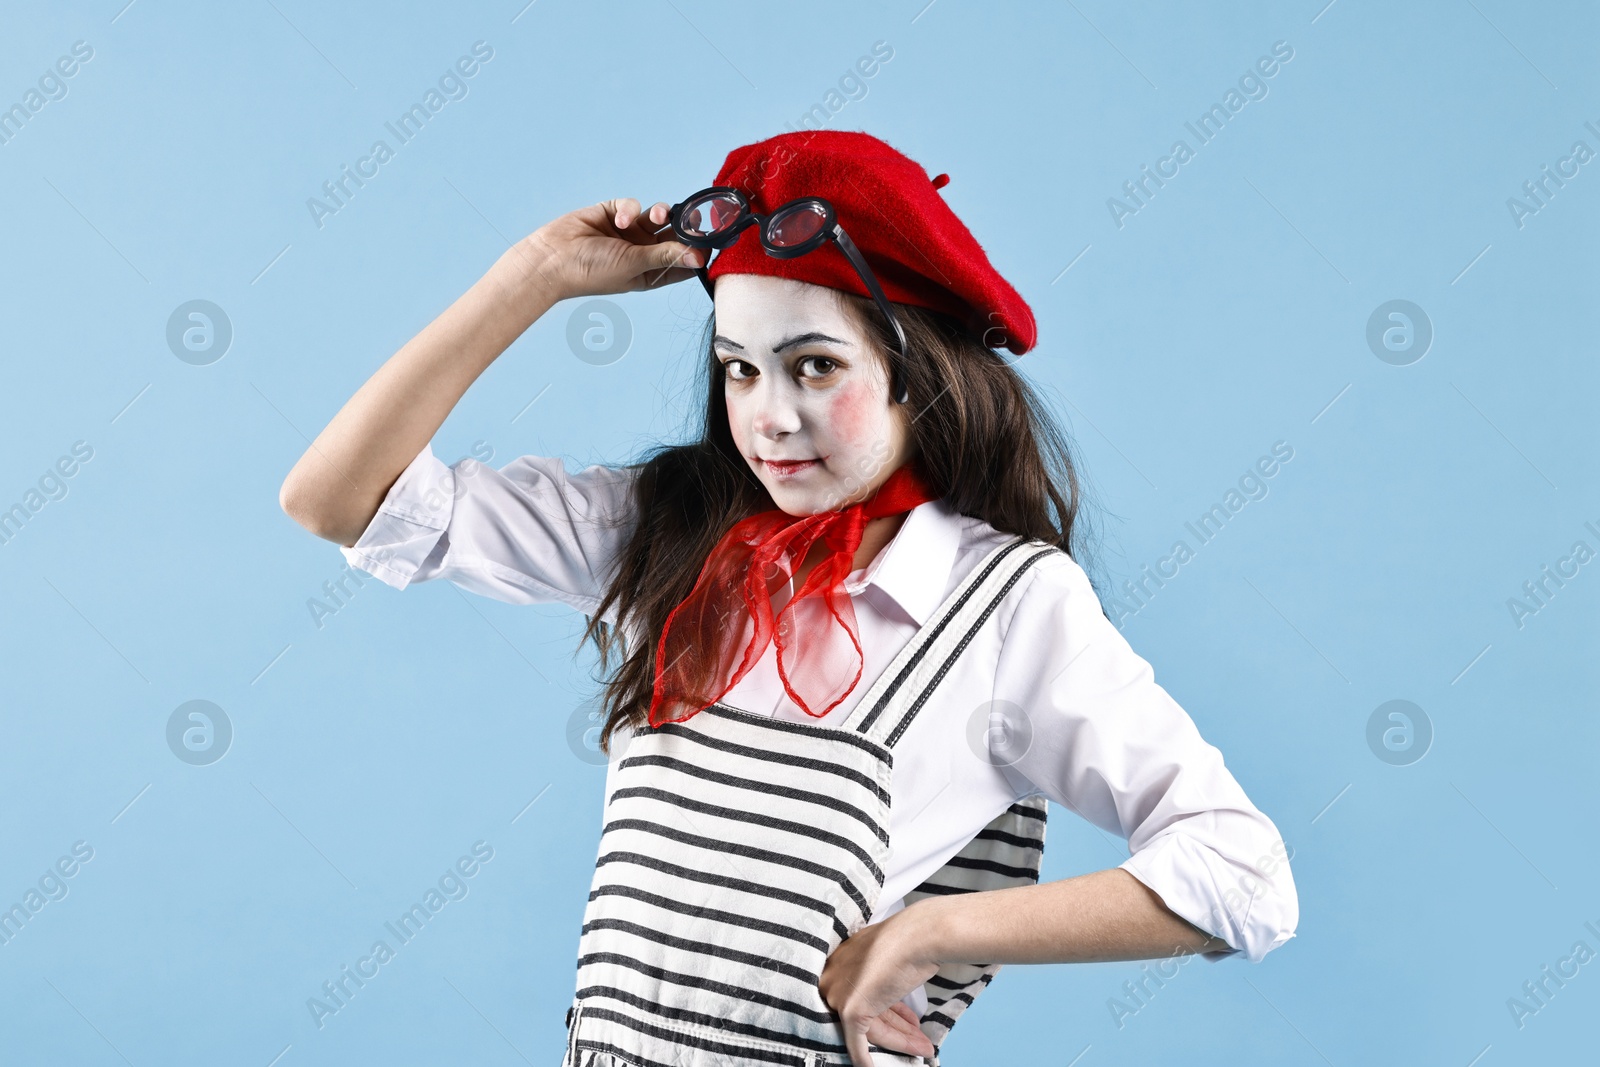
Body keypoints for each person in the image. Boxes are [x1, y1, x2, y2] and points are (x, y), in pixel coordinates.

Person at [280, 131, 1298, 1067]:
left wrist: (925, 933)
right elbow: (337, 497)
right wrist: (534, 277)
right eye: (738, 370)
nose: (769, 417)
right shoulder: (669, 535)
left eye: (815, 366)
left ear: (919, 374)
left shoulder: (1005, 605)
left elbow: (1242, 872)